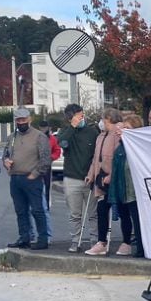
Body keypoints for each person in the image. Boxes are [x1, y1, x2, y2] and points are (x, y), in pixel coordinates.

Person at [3, 108, 52, 250]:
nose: (21, 122)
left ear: (29, 119)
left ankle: (43, 239)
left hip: (32, 178)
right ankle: (24, 237)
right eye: (18, 120)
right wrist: (6, 161)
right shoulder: (12, 137)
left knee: (37, 210)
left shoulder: (39, 136)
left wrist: (35, 174)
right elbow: (6, 154)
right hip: (15, 178)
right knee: (20, 210)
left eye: (23, 119)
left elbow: (45, 159)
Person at [85, 109, 131, 256]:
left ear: (109, 119)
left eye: (103, 120)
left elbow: (121, 157)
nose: (101, 123)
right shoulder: (100, 137)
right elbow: (96, 159)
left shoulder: (119, 134)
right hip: (101, 179)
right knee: (102, 210)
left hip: (116, 179)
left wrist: (112, 175)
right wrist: (91, 175)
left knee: (124, 211)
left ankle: (126, 242)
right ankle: (101, 242)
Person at [58, 104, 100, 252]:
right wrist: (72, 128)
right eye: (78, 115)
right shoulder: (65, 132)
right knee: (75, 214)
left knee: (93, 213)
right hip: (71, 178)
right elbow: (62, 143)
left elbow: (97, 154)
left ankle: (95, 240)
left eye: (82, 115)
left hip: (90, 178)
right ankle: (76, 240)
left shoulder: (92, 132)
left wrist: (93, 173)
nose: (82, 118)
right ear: (70, 118)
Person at [110, 115, 145, 257]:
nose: (124, 131)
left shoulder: (139, 148)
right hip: (123, 189)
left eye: (128, 128)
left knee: (137, 220)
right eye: (124, 128)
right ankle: (127, 243)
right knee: (125, 218)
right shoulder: (120, 147)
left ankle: (142, 248)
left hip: (135, 191)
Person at [33, 120, 61, 245]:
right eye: (41, 127)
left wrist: (50, 158)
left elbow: (57, 151)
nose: (43, 129)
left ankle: (46, 207)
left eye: (45, 127)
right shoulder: (34, 137)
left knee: (46, 194)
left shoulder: (52, 139)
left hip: (46, 169)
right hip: (34, 168)